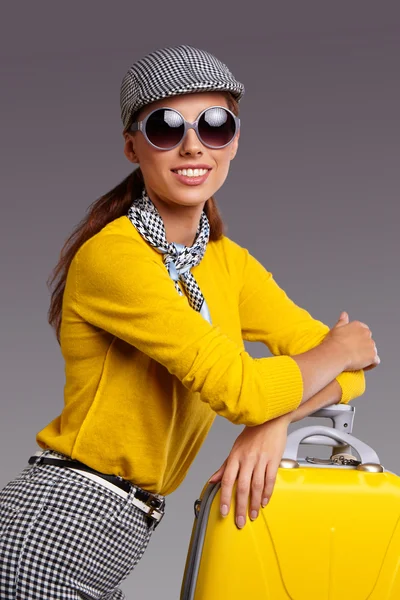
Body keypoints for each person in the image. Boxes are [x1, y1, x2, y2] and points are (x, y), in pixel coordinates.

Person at [0, 44, 379, 599]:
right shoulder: (115, 257)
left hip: (115, 534)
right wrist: (342, 349)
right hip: (55, 525)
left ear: (235, 142)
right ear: (133, 146)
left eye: (215, 125)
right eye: (165, 127)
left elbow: (347, 378)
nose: (193, 145)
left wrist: (272, 424)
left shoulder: (229, 265)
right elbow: (246, 388)